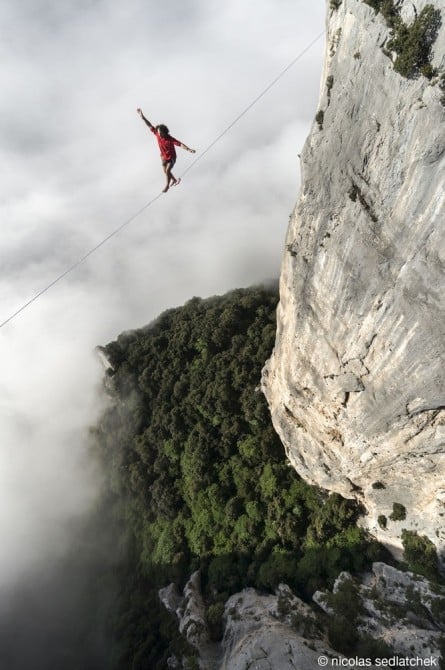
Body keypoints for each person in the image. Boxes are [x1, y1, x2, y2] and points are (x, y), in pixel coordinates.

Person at [137, 108, 196, 192]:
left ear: (165, 133)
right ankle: (175, 180)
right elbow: (149, 125)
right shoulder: (157, 134)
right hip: (163, 156)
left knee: (168, 170)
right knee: (165, 171)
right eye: (159, 133)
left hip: (172, 157)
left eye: (161, 133)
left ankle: (167, 186)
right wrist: (142, 117)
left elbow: (180, 144)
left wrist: (189, 149)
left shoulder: (170, 139)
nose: (160, 134)